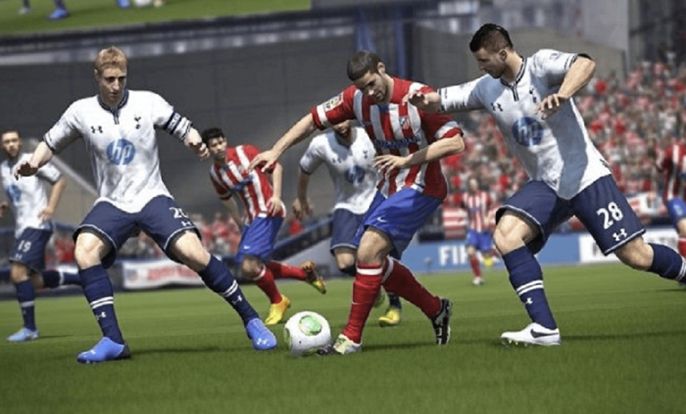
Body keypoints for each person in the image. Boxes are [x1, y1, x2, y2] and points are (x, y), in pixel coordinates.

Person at [408, 23, 686, 346]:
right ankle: (544, 327)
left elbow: (585, 63)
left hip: (584, 175)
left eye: (484, 60)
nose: (481, 67)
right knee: (506, 235)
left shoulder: (540, 66)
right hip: (546, 184)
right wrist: (423, 100)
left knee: (636, 255)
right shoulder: (486, 88)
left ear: (503, 53)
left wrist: (563, 94)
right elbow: (442, 99)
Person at [14, 46, 276, 363]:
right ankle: (113, 340)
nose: (116, 86)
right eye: (109, 79)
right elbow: (49, 143)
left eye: (121, 79)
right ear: (96, 76)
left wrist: (193, 140)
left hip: (152, 196)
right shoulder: (80, 111)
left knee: (194, 253)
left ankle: (252, 320)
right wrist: (33, 163)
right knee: (84, 251)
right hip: (113, 202)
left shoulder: (148, 102)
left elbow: (183, 127)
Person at [250, 51, 465, 355]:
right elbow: (312, 120)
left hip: (421, 186)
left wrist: (407, 161)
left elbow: (456, 141)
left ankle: (350, 339)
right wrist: (276, 150)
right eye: (362, 88)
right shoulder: (356, 98)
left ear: (382, 68)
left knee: (367, 251)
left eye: (372, 84)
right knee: (372, 261)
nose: (369, 92)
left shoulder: (416, 96)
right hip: (387, 188)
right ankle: (436, 308)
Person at [202, 127, 326, 326]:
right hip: (252, 218)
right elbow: (225, 198)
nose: (218, 147)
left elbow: (276, 168)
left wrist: (276, 196)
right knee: (258, 265)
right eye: (213, 145)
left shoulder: (246, 152)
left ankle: (278, 301)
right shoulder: (215, 174)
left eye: (220, 142)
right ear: (208, 149)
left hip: (268, 210)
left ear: (225, 141)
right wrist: (238, 220)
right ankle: (305, 275)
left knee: (249, 266)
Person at [293, 119, 404, 326]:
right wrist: (301, 198)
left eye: (343, 119)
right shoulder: (320, 144)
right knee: (344, 263)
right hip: (346, 205)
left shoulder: (369, 136)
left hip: (375, 201)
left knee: (380, 254)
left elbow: (393, 158)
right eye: (335, 122)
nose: (341, 125)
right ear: (329, 124)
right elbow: (304, 169)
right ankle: (376, 288)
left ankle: (395, 305)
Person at [1, 130, 82, 342]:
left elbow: (60, 180)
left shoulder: (32, 160)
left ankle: (30, 329)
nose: (11, 144)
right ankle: (79, 278)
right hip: (22, 228)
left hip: (37, 225)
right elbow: (18, 195)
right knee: (33, 281)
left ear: (20, 143)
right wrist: (5, 205)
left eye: (14, 140)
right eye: (7, 142)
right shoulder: (3, 169)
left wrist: (51, 208)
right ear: (2, 146)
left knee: (17, 273)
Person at [460, 176, 496, 286]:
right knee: (470, 252)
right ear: (468, 186)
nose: (474, 186)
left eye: (475, 184)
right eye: (472, 184)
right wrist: (464, 219)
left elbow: (492, 208)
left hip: (484, 230)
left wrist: (488, 218)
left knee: (487, 257)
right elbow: (462, 209)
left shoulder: (484, 196)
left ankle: (493, 252)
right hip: (472, 230)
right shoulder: (465, 197)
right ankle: (478, 277)